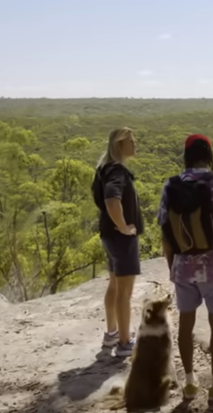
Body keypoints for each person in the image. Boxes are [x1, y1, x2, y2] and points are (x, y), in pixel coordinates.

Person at [158, 134, 213, 402]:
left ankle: (190, 384)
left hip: (183, 266)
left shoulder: (170, 186)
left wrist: (173, 267)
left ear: (186, 156)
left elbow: (166, 233)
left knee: (186, 324)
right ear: (208, 155)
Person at [92, 127, 143, 358]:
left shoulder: (103, 169)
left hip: (108, 235)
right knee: (124, 292)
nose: (135, 144)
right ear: (119, 145)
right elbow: (112, 200)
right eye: (131, 141)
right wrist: (124, 226)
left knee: (114, 285)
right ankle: (124, 343)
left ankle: (112, 333)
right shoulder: (117, 172)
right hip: (120, 239)